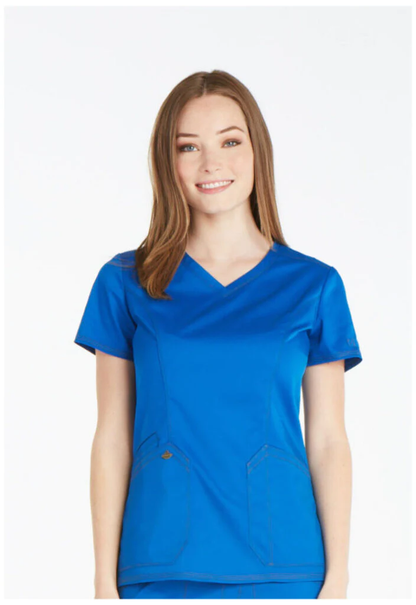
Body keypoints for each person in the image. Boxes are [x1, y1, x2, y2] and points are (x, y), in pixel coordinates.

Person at [74, 70, 363, 600]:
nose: (211, 164)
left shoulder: (313, 286)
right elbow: (111, 437)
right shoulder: (125, 282)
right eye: (189, 147)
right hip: (157, 564)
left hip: (285, 568)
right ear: (167, 163)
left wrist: (338, 580)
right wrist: (102, 584)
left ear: (257, 151)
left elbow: (327, 439)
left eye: (230, 141)